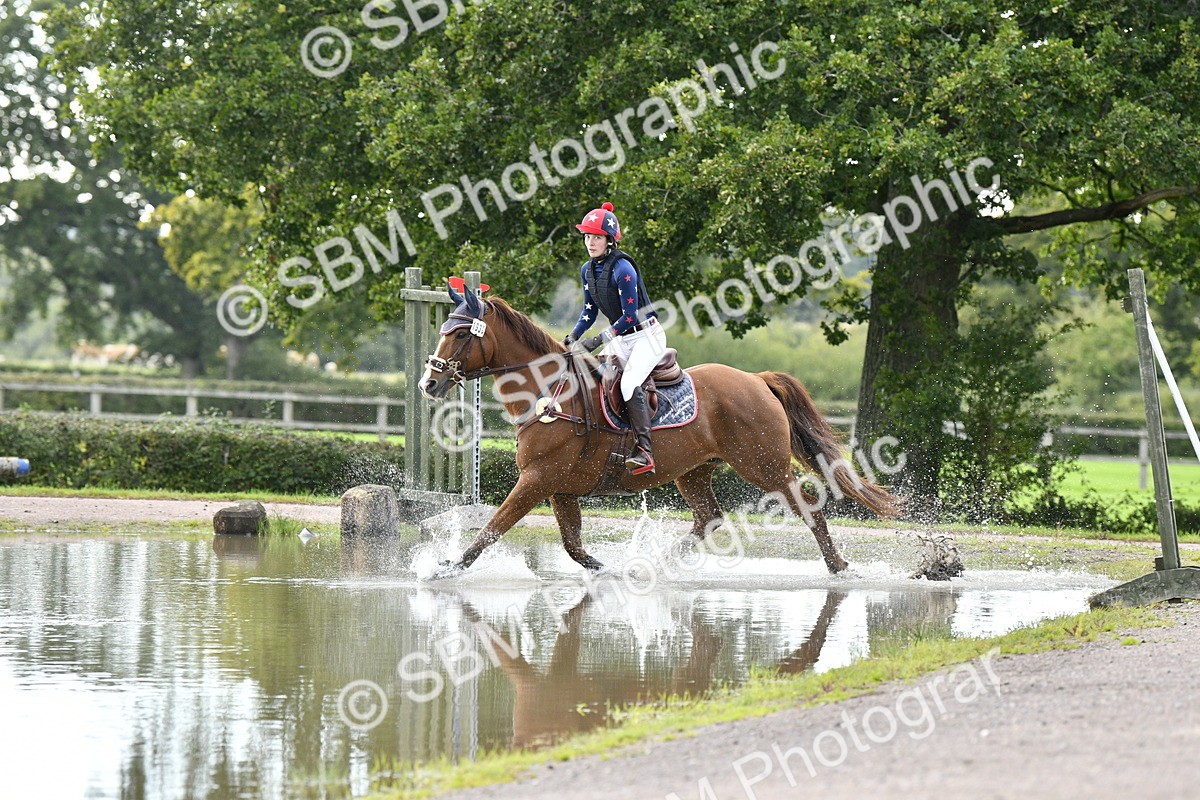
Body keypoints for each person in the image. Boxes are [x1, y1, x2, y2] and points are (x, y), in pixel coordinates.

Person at [562, 202, 666, 475]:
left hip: (647, 336)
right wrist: (573, 336)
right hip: (623, 337)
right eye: (587, 236)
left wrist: (596, 340)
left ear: (609, 240)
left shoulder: (623, 270)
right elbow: (588, 311)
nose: (590, 242)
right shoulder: (587, 270)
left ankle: (645, 451)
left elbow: (630, 316)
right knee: (597, 376)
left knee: (629, 383)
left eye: (596, 237)